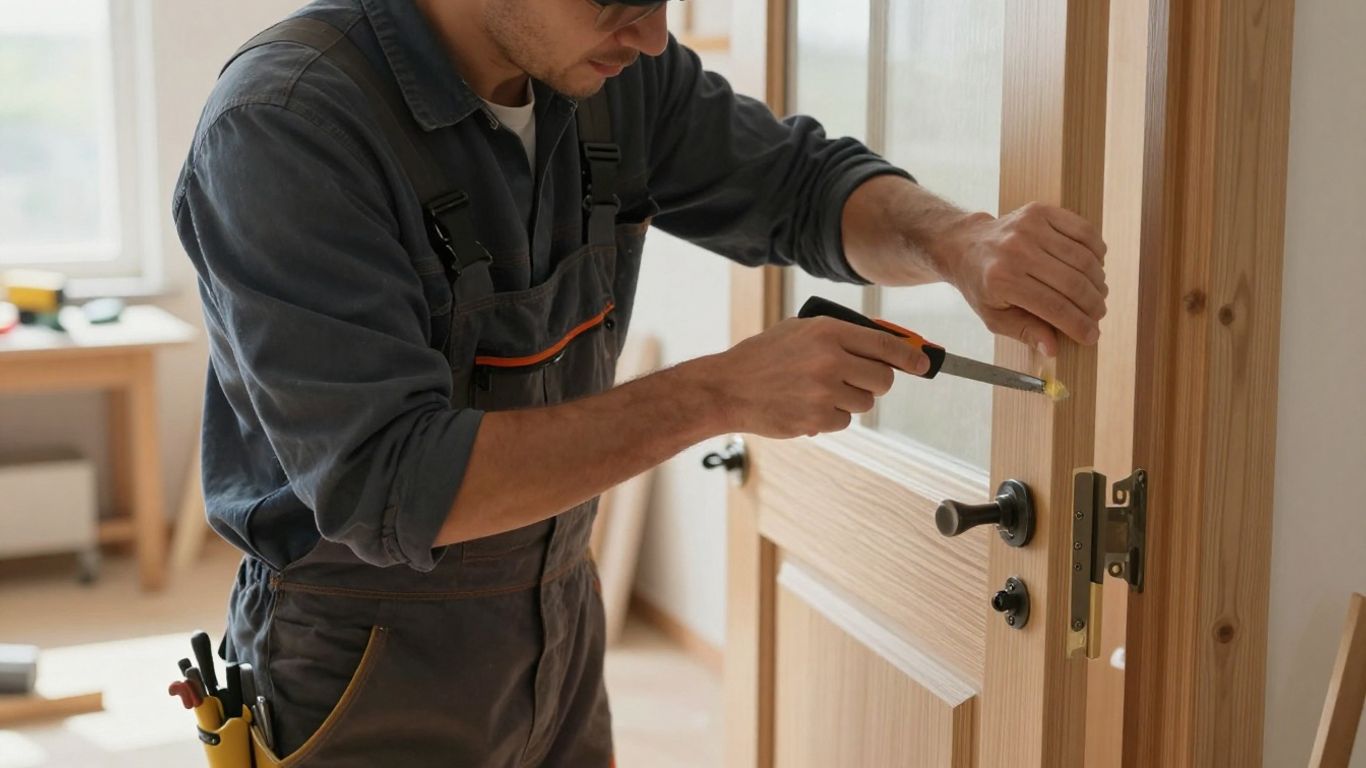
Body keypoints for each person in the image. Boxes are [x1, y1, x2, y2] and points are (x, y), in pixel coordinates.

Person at [173, 0, 1108, 764]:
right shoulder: (287, 127)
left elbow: (799, 185)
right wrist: (718, 394)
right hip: (364, 664)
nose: (654, 34)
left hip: (561, 625)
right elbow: (395, 485)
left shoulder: (612, 74)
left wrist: (957, 241)